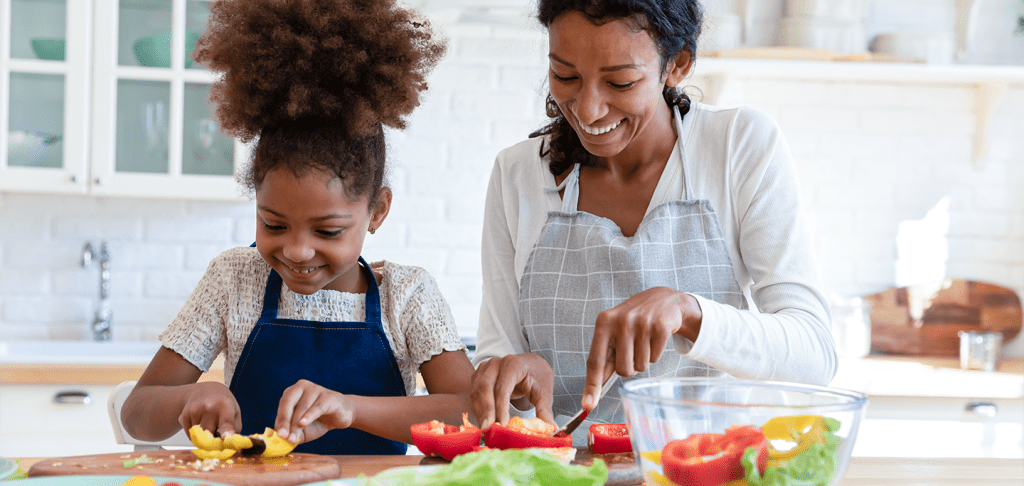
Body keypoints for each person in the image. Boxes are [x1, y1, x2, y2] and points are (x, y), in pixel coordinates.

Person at [470, 0, 837, 444]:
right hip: (560, 469)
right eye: (565, 76)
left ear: (676, 65)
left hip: (702, 465)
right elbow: (495, 368)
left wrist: (689, 313)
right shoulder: (517, 174)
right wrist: (513, 376)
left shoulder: (737, 146)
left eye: (620, 81)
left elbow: (814, 354)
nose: (587, 110)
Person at [120, 0, 470, 455]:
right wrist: (190, 396)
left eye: (327, 231)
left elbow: (470, 415)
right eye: (274, 224)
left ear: (378, 211)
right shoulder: (233, 281)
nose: (297, 250)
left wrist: (351, 409)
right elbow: (136, 412)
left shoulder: (408, 297)